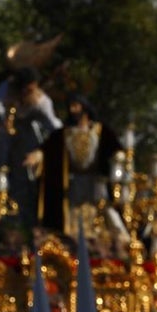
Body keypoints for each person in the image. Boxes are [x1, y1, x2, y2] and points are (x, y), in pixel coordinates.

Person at [34, 93, 123, 234]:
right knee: (71, 213)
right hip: (73, 183)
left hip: (95, 182)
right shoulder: (64, 133)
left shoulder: (100, 130)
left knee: (104, 211)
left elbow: (115, 147)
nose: (72, 110)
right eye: (70, 106)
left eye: (75, 105)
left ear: (84, 107)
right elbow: (48, 148)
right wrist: (38, 155)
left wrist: (119, 156)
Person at [0, 66, 63, 228]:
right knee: (1, 174)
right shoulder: (7, 89)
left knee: (26, 184)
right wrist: (4, 115)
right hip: (7, 139)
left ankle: (26, 222)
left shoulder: (41, 101)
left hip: (27, 142)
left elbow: (53, 125)